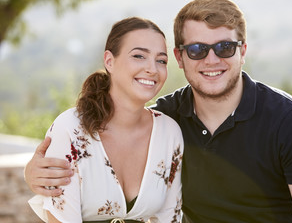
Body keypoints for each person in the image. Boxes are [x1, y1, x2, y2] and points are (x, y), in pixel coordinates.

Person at [25, 0, 292, 223]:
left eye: (224, 47)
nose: (212, 59)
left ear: (243, 51)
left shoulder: (288, 123)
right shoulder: (167, 119)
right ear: (180, 57)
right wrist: (35, 173)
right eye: (197, 49)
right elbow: (107, 129)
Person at [27, 17, 184, 223]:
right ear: (109, 61)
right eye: (139, 56)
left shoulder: (169, 133)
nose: (152, 69)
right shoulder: (70, 130)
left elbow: (170, 218)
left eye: (161, 60)